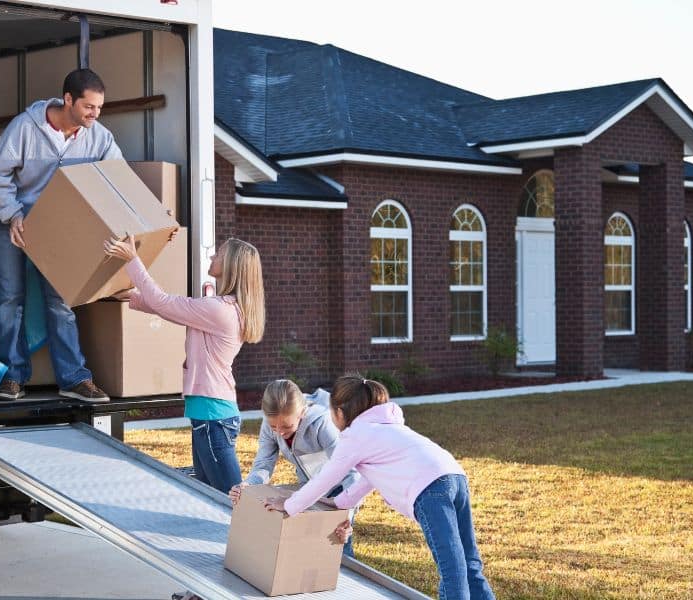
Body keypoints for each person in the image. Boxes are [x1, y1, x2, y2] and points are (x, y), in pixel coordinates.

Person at [263, 375, 496, 600]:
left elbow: (325, 479)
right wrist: (340, 502)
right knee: (469, 562)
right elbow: (369, 478)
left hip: (430, 489)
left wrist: (289, 504)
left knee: (452, 568)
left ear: (340, 413)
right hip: (454, 476)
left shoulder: (355, 436)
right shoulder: (385, 428)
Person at [0, 68, 121, 402]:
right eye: (89, 107)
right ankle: (11, 377)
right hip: (11, 218)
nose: (95, 114)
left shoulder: (99, 137)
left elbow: (116, 180)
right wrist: (13, 215)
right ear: (69, 100)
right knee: (9, 299)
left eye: (99, 108)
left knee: (61, 301)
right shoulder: (24, 128)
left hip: (59, 226)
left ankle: (74, 379)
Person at [104, 236, 265, 493]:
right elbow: (168, 308)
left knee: (233, 499)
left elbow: (165, 303)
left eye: (218, 254)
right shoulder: (224, 308)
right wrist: (131, 297)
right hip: (210, 414)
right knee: (210, 495)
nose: (212, 257)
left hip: (213, 417)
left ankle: (253, 534)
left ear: (232, 265)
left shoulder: (219, 310)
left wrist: (133, 260)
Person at [228, 379, 361, 557]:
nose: (280, 433)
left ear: (302, 413)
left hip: (340, 489)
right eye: (274, 426)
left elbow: (351, 473)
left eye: (287, 426)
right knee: (310, 549)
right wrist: (249, 485)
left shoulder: (322, 424)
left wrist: (347, 517)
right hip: (308, 488)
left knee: (338, 548)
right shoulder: (271, 426)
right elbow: (263, 464)